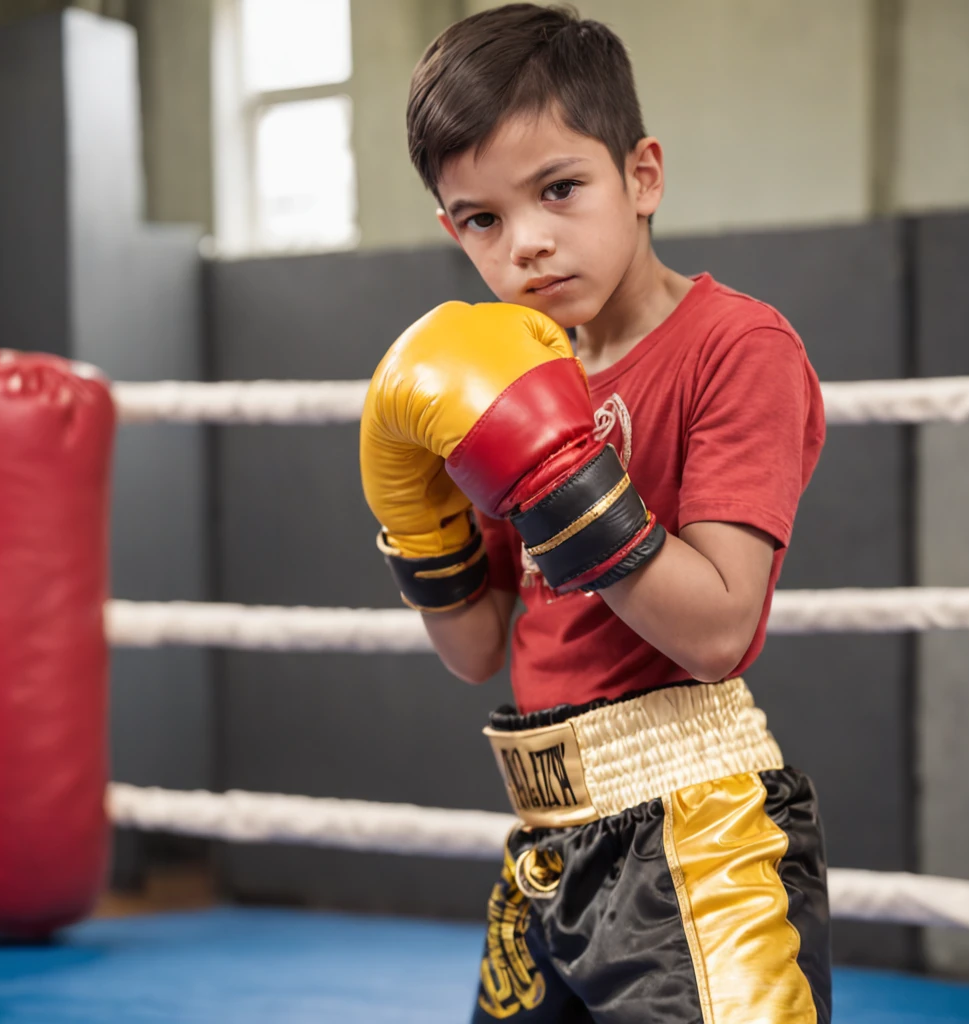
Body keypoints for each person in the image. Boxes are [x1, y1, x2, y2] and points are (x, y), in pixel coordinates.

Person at [359, 4, 830, 1021]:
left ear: (641, 176)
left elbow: (715, 630)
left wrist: (553, 481)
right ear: (452, 231)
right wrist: (419, 518)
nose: (526, 243)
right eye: (482, 219)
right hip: (544, 836)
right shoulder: (509, 376)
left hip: (693, 825)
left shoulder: (737, 347)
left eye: (559, 189)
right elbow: (476, 647)